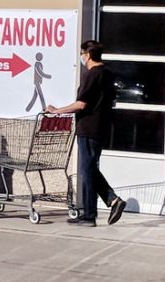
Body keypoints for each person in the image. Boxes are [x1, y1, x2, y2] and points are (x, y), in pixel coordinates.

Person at [46, 40, 126, 227]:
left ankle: (90, 215)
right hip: (101, 127)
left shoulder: (92, 75)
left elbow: (81, 104)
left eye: (82, 54)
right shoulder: (107, 73)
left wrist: (56, 111)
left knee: (87, 171)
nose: (81, 57)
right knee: (89, 169)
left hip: (89, 128)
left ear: (87, 55)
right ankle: (112, 201)